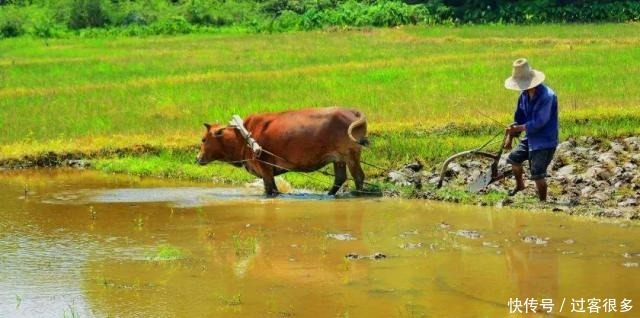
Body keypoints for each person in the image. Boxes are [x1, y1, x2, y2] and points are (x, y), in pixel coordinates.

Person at [503, 58, 558, 201]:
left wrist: (520, 127)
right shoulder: (524, 95)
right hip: (530, 138)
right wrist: (511, 134)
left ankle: (542, 202)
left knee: (537, 173)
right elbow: (519, 118)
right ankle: (520, 185)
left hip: (544, 140)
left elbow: (540, 122)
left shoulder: (548, 96)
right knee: (514, 159)